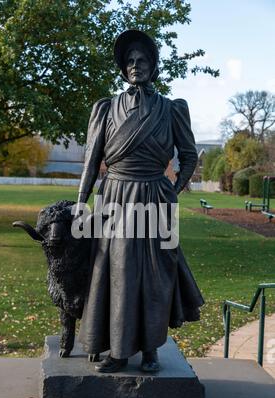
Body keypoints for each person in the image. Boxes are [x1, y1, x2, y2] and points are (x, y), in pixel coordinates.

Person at [76, 29, 204, 373]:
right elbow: (91, 162)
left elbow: (188, 156)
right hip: (115, 197)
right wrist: (80, 203)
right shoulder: (105, 108)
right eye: (130, 61)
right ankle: (117, 351)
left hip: (155, 198)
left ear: (153, 66)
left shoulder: (171, 108)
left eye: (143, 60)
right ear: (122, 68)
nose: (136, 65)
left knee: (156, 274)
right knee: (114, 272)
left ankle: (150, 350)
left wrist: (172, 192)